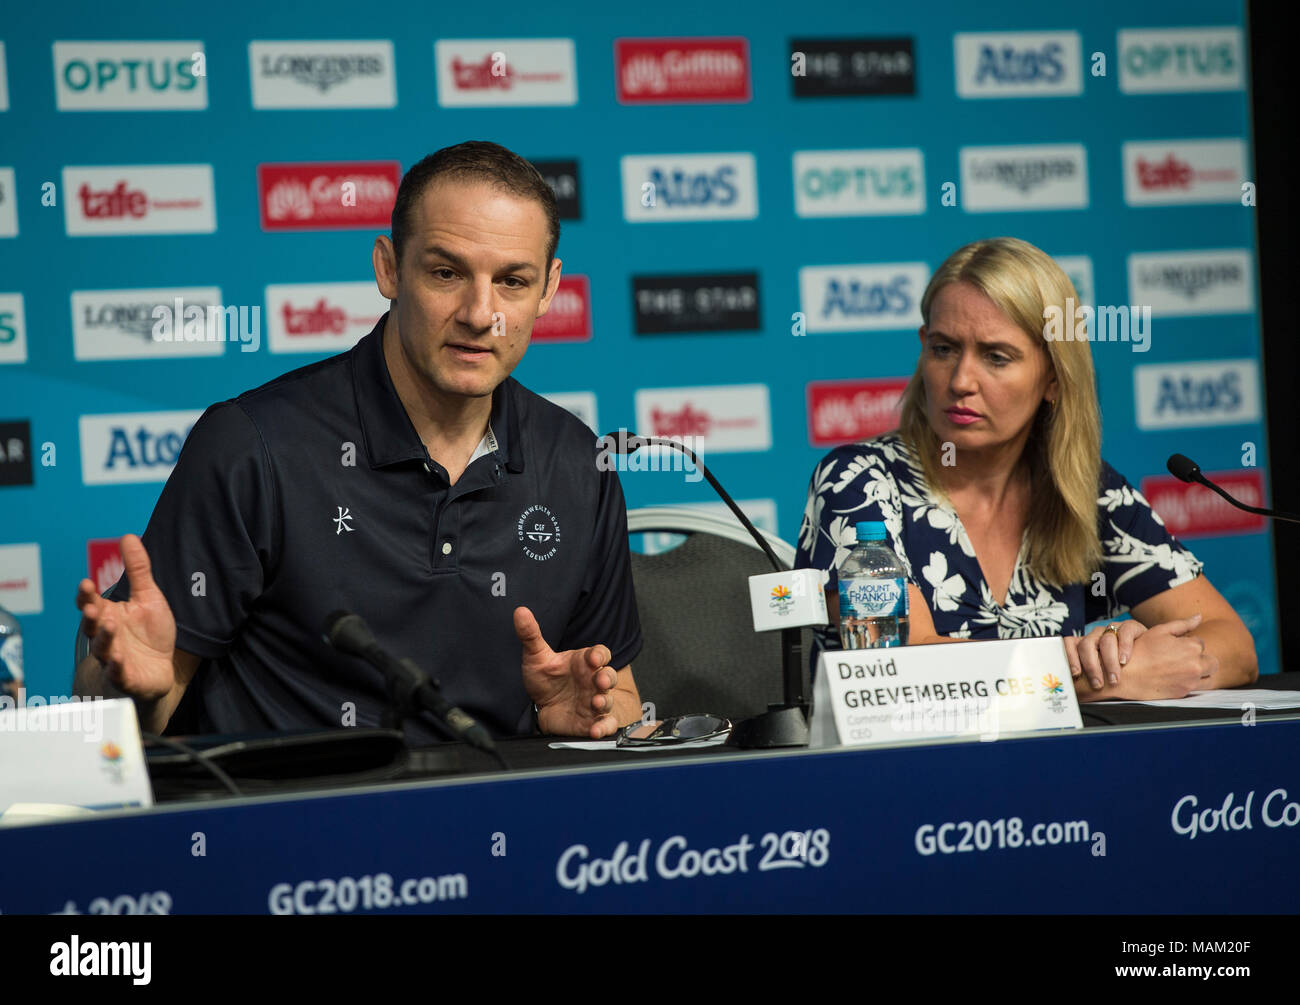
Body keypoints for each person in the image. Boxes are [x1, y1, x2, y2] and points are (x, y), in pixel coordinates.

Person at [74, 141, 643, 740]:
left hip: (500, 819)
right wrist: (129, 688)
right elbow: (117, 724)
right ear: (389, 268)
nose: (481, 313)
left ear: (550, 288)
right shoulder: (253, 447)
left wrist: (595, 717)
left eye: (512, 282)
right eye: (446, 273)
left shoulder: (580, 462)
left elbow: (623, 696)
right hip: (288, 825)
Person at [796, 237, 1257, 701]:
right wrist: (1100, 680)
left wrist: (1128, 654)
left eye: (996, 357)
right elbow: (901, 669)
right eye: (943, 349)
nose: (960, 381)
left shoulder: (1089, 492)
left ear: (1053, 377)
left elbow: (1234, 648)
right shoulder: (859, 481)